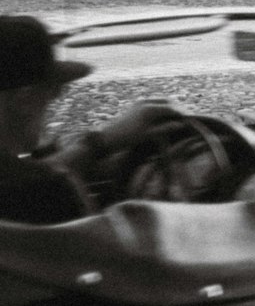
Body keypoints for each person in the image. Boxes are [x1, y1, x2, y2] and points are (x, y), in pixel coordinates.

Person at [0, 15, 172, 225]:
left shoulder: (21, 181)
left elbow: (15, 174)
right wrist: (96, 144)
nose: (58, 97)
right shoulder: (47, 190)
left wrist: (79, 149)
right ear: (24, 100)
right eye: (54, 88)